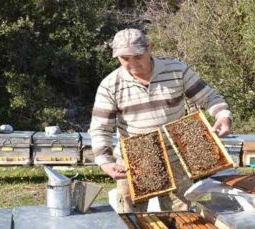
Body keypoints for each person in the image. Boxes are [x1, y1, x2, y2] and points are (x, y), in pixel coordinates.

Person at [89, 28, 232, 213]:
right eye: (125, 58)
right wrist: (105, 161)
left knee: (181, 216)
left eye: (137, 56)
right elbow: (100, 128)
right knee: (132, 218)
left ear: (149, 48)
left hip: (176, 160)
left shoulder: (177, 71)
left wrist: (223, 115)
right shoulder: (110, 85)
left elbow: (210, 97)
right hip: (134, 164)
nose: (132, 64)